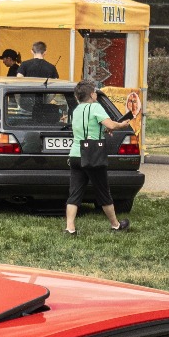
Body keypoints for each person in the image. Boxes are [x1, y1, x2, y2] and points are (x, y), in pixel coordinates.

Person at [65, 80, 131, 235]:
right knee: (103, 191)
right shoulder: (96, 107)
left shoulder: (76, 110)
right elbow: (112, 125)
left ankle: (70, 228)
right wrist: (122, 125)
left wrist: (102, 130)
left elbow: (88, 127)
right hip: (93, 155)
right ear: (92, 94)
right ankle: (115, 225)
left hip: (76, 154)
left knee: (74, 193)